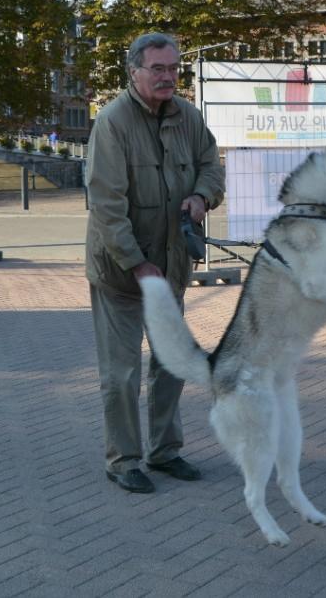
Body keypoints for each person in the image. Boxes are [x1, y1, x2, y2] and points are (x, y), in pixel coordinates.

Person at [85, 32, 225, 494]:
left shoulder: (188, 116)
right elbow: (106, 206)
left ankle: (165, 451)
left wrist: (203, 196)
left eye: (173, 69)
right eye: (158, 69)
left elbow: (211, 165)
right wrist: (137, 264)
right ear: (134, 72)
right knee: (121, 373)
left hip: (171, 267)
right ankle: (123, 460)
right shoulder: (113, 122)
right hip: (122, 274)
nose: (168, 77)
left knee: (171, 364)